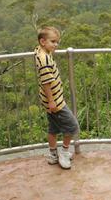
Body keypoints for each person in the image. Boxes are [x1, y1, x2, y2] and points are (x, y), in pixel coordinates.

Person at [34, 26, 80, 169]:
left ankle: (53, 155)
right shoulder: (45, 59)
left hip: (49, 101)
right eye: (53, 41)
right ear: (43, 41)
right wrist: (52, 100)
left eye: (57, 42)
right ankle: (64, 153)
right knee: (73, 126)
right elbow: (46, 82)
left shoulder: (40, 53)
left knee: (53, 128)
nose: (56, 45)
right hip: (55, 102)